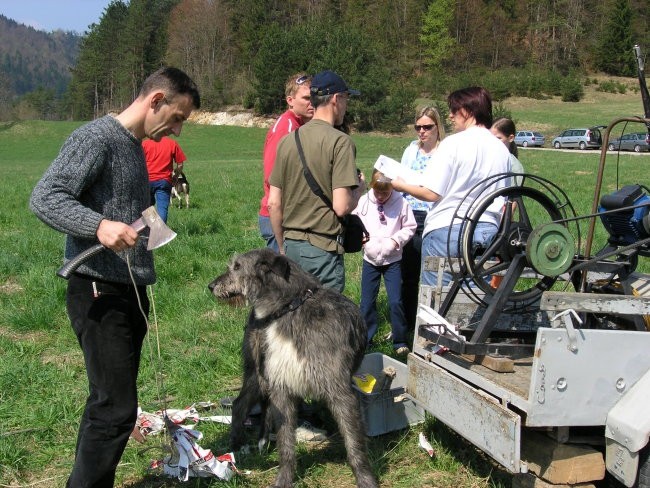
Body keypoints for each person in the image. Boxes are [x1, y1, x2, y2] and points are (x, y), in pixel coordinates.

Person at [29, 67, 200, 488]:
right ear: (156, 99)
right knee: (115, 409)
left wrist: (149, 227)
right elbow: (45, 196)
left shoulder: (133, 146)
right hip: (97, 290)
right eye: (177, 117)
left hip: (128, 290)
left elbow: (126, 206)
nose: (177, 129)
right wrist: (99, 226)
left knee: (111, 403)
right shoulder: (96, 138)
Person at [391, 86, 511, 287]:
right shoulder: (501, 149)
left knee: (437, 301)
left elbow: (431, 192)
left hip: (447, 230)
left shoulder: (453, 143)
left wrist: (401, 185)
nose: (450, 115)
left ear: (467, 111)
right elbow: (504, 196)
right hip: (487, 230)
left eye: (454, 110)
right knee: (474, 300)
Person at [268, 69, 365, 292]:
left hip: (292, 248)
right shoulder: (341, 142)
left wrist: (282, 246)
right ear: (335, 99)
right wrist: (359, 190)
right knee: (324, 322)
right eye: (346, 99)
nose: (346, 106)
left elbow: (274, 202)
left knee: (293, 318)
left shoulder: (287, 141)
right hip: (323, 251)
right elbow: (341, 207)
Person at [353, 169, 416, 354]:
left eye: (385, 193)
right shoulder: (364, 202)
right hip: (370, 259)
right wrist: (364, 241)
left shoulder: (401, 203)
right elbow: (355, 222)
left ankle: (400, 341)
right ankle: (366, 339)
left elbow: (410, 227)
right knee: (366, 302)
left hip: (393, 260)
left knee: (396, 301)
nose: (380, 196)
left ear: (391, 189)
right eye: (377, 192)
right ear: (372, 187)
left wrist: (395, 241)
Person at [399, 106, 446, 328]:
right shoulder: (411, 151)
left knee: (432, 274)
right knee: (407, 274)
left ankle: (431, 321)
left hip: (433, 217)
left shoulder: (445, 152)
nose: (422, 131)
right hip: (409, 216)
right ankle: (407, 322)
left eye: (427, 127)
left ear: (438, 127)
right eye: (418, 127)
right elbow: (401, 179)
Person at [259, 73, 314, 252]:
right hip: (279, 218)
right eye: (306, 98)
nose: (311, 103)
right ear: (290, 100)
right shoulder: (286, 129)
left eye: (314, 98)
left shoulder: (299, 126)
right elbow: (272, 177)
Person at [143, 135, 187, 223]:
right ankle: (161, 233)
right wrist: (175, 176)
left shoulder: (145, 144)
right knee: (162, 208)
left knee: (147, 207)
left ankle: (150, 230)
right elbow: (180, 164)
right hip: (164, 181)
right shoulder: (172, 143)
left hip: (147, 180)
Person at [491, 117, 525, 185]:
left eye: (498, 138)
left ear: (511, 138)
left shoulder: (515, 167)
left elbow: (513, 193)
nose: (492, 142)